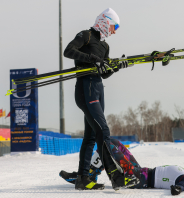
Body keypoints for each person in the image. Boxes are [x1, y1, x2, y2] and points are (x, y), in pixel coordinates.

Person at [63, 8, 138, 191]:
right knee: (103, 131)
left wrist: (116, 67)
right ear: (104, 21)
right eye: (113, 27)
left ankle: (82, 179)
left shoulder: (105, 46)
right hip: (85, 88)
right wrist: (91, 58)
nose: (113, 32)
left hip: (97, 88)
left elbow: (104, 74)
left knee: (91, 136)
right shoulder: (86, 35)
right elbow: (68, 51)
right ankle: (115, 175)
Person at [60, 139, 184, 195]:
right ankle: (89, 174)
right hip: (141, 171)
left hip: (137, 178)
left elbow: (183, 184)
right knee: (113, 143)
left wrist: (178, 188)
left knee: (107, 145)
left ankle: (87, 175)